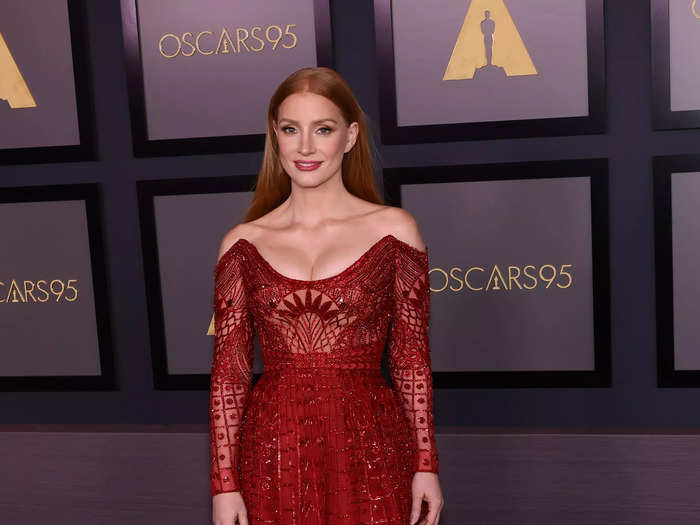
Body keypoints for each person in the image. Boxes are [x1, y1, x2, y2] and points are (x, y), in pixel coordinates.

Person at [209, 66, 443, 525]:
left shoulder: (394, 230)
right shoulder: (243, 243)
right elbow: (229, 375)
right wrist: (224, 485)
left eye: (324, 129)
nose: (306, 147)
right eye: (291, 129)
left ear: (350, 136)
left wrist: (426, 465)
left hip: (371, 441)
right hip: (273, 445)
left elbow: (411, 359)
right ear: (275, 136)